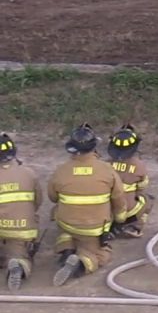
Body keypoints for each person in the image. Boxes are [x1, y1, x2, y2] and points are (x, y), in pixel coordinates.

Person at [47, 125, 126, 286]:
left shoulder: (60, 171)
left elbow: (53, 197)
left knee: (59, 213)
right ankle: (81, 263)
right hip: (93, 229)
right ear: (93, 147)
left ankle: (66, 248)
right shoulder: (107, 170)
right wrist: (119, 220)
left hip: (67, 224)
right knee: (100, 254)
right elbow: (118, 200)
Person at [0, 133, 41, 292]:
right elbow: (38, 202)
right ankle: (18, 264)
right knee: (20, 255)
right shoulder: (29, 173)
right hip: (22, 230)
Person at [107, 126, 152, 238]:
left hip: (106, 210)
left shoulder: (105, 165)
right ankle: (134, 227)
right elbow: (141, 187)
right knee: (149, 200)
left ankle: (112, 226)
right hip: (128, 211)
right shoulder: (139, 165)